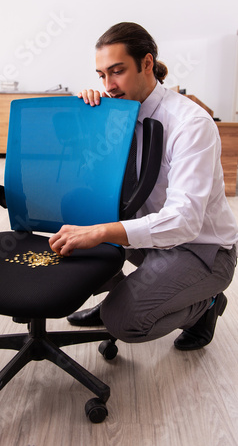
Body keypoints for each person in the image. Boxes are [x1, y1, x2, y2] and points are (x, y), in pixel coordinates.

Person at [49, 22, 238, 351]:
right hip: (149, 241)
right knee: (77, 204)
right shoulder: (116, 115)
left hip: (201, 249)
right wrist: (89, 120)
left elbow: (184, 220)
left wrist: (102, 233)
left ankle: (204, 307)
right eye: (101, 75)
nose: (109, 85)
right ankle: (122, 293)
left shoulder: (189, 124)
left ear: (147, 64)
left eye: (117, 71)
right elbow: (91, 181)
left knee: (124, 321)